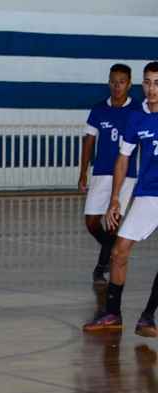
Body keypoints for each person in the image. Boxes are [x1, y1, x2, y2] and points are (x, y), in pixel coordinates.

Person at [86, 62, 158, 338]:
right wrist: (115, 199)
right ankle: (113, 314)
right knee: (119, 252)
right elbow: (123, 158)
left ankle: (148, 317)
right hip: (148, 193)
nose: (152, 89)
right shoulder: (136, 118)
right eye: (148, 82)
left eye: (157, 83)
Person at [78, 64, 137, 285]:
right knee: (92, 222)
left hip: (126, 175)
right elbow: (88, 141)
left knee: (112, 223)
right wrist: (83, 172)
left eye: (122, 81)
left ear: (129, 84)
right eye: (113, 81)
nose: (117, 86)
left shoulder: (137, 111)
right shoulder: (99, 109)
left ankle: (102, 267)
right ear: (108, 82)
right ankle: (112, 250)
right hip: (101, 172)